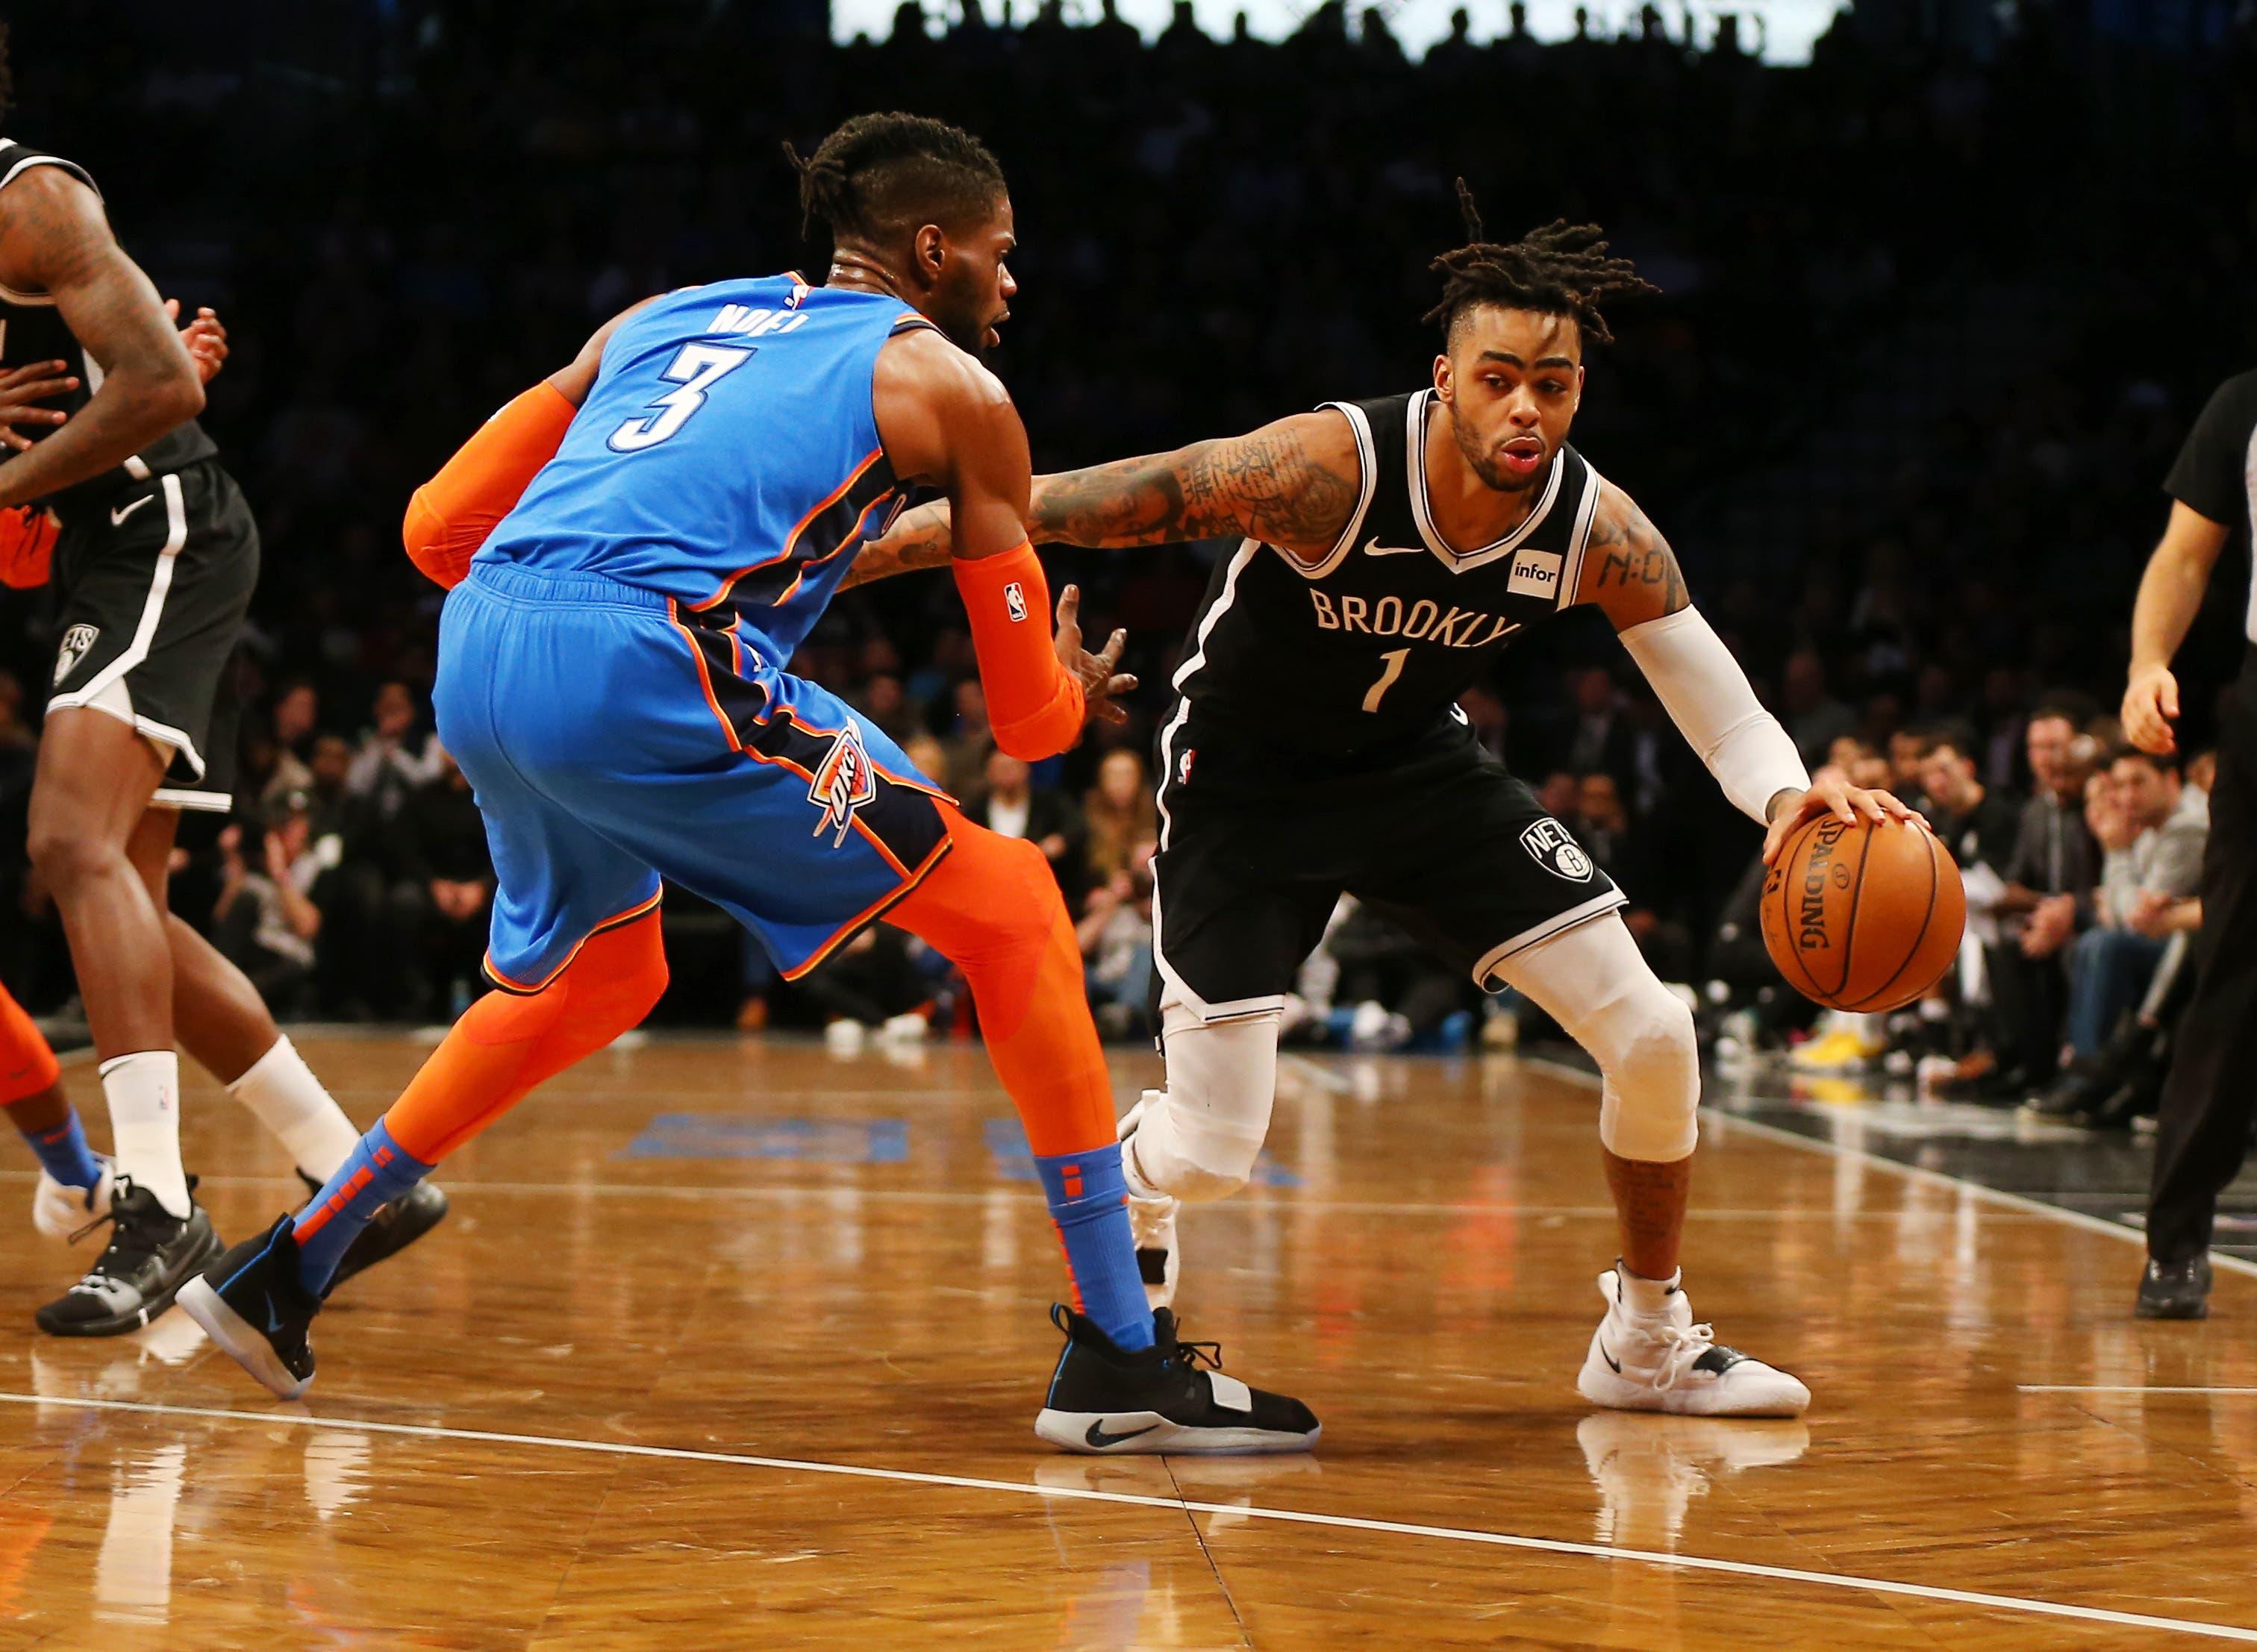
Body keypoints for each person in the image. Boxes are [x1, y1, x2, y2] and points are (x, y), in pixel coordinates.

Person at [181, 112, 1315, 1454]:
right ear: (932, 247)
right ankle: (1122, 1352)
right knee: (1011, 898)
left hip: (481, 643)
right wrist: (1067, 684)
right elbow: (1025, 728)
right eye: (1001, 256)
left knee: (607, 971)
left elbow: (433, 529)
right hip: (645, 655)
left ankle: (290, 1265)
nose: (1013, 284)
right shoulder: (952, 392)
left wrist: (572, 604)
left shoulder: (660, 315)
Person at [852, 187, 1926, 1417]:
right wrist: (875, 545)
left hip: (1414, 770)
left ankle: (1644, 1338)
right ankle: (1129, 1196)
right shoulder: (1326, 469)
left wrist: (1787, 795)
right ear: (1444, 377)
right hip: (1245, 783)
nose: (1526, 406)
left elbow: (1713, 697)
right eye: (1497, 377)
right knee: (1209, 1150)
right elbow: (1093, 498)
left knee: (1653, 1031)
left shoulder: (1592, 528)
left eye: (1555, 383)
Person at [0, 59, 442, 1335]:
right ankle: (353, 1175)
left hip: (159, 523)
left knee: (68, 843)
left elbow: (164, 389)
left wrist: (45, 451)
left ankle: (150, 1204)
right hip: (109, 542)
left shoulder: (31, 200)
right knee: (127, 897)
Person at [2123, 367, 2257, 1318]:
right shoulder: (2245, 403)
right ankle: (2176, 1244)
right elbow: (2183, 557)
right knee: (2236, 972)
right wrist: (2147, 665)